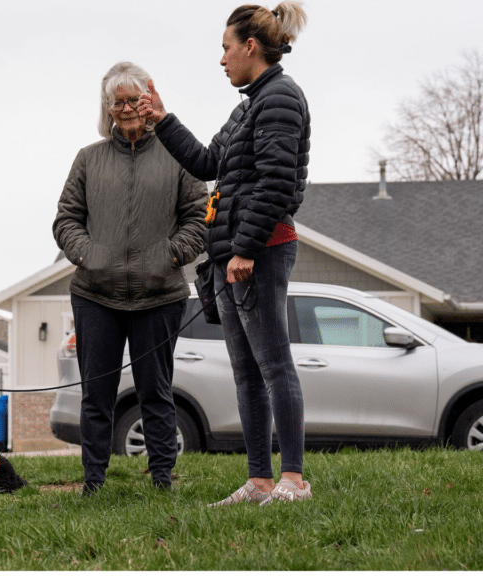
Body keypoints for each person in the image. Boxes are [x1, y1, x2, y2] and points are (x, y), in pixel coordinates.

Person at [139, 1, 311, 505]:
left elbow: (278, 182)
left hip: (260, 251)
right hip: (233, 256)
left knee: (275, 365)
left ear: (250, 47)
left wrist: (246, 249)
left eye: (225, 48)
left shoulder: (279, 97)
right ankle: (260, 481)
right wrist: (162, 119)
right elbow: (209, 161)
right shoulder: (248, 104)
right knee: (247, 371)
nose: (222, 59)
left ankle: (294, 480)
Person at [53, 62, 207, 495]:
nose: (125, 109)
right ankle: (93, 482)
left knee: (156, 392)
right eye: (117, 101)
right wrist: (89, 255)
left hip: (160, 295)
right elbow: (66, 219)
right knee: (96, 394)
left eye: (133, 100)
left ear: (149, 101)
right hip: (95, 295)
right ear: (108, 107)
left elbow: (200, 217)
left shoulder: (179, 155)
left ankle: (162, 480)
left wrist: (170, 255)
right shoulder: (89, 158)